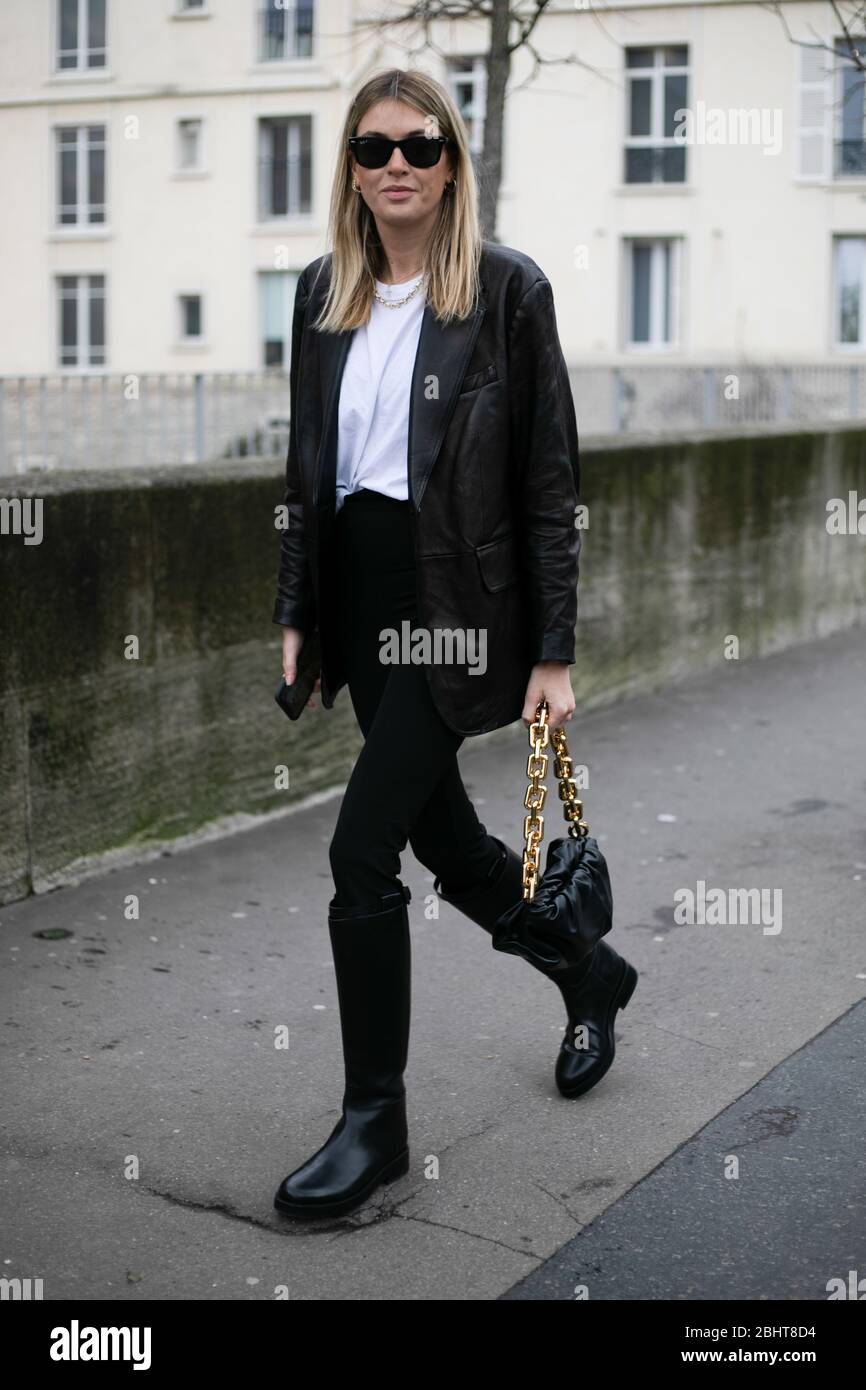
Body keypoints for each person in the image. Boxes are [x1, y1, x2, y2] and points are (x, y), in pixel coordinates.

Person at [271, 67, 637, 1220]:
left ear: (450, 163)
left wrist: (554, 652)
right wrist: (296, 611)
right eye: (372, 147)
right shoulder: (320, 293)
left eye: (418, 146)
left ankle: (373, 1120)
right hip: (361, 591)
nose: (395, 165)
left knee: (357, 852)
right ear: (350, 165)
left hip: (458, 612)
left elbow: (548, 484)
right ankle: (587, 968)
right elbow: (304, 471)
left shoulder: (506, 294)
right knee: (446, 840)